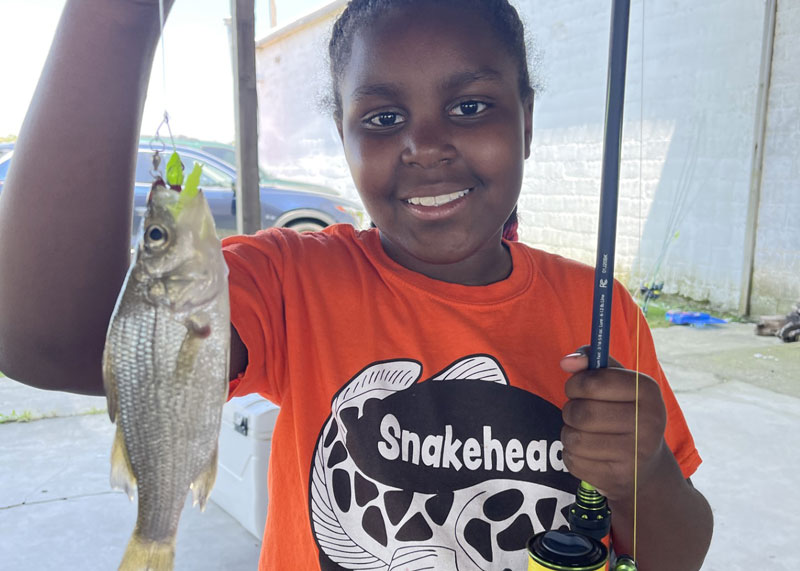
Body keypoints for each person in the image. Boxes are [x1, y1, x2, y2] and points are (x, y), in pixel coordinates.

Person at [0, 0, 713, 569]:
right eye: (383, 118)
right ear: (343, 137)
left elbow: (678, 554)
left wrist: (646, 471)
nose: (426, 144)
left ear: (526, 122)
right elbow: (52, 344)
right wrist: (120, 16)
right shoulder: (292, 280)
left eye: (470, 106)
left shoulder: (600, 310)